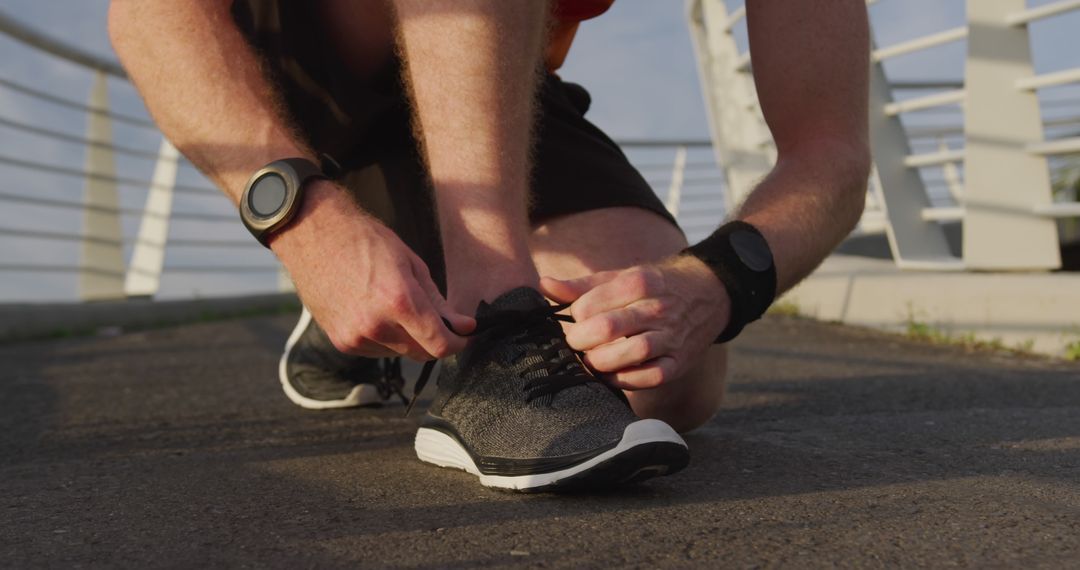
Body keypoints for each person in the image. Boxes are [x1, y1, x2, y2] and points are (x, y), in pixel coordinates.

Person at [108, 0, 870, 492]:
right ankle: (490, 318)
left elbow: (830, 157)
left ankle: (413, 300)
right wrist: (307, 227)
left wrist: (714, 285)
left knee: (663, 379)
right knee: (564, 361)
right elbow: (145, 14)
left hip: (478, 85)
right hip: (286, 64)